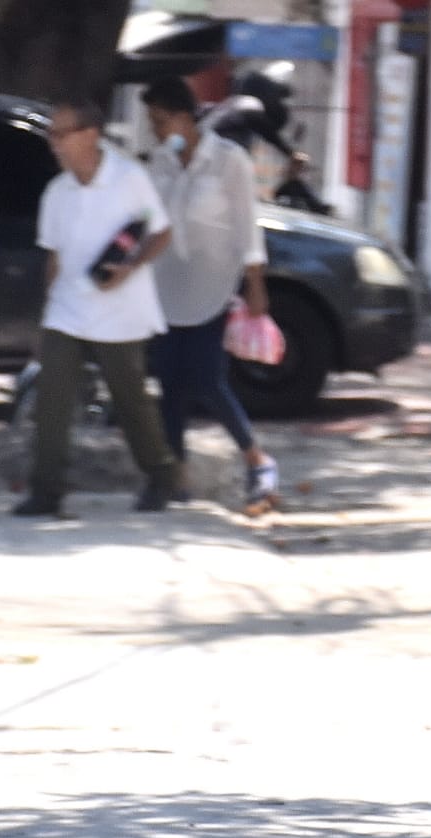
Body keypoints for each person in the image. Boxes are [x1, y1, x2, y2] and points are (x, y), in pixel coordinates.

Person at [13, 99, 179, 517]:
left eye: (61, 133)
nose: (54, 143)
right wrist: (46, 318)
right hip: (67, 308)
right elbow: (53, 258)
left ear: (90, 135)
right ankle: (46, 491)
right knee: (51, 400)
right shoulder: (57, 192)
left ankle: (161, 475)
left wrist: (130, 267)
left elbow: (160, 232)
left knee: (130, 400)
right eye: (51, 134)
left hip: (120, 309)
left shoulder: (129, 178)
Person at [140, 76, 279, 512]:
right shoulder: (160, 162)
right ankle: (174, 476)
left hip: (213, 283)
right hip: (167, 286)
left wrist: (255, 284)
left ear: (184, 117)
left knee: (205, 378)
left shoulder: (227, 160)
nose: (156, 130)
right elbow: (150, 222)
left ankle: (256, 459)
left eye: (161, 121)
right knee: (170, 379)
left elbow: (247, 226)